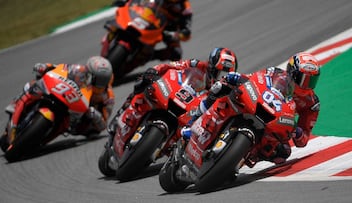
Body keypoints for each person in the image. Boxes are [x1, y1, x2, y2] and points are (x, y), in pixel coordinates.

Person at [181, 52, 321, 164]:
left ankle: (242, 159)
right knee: (220, 87)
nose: (306, 85)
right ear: (292, 72)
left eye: (311, 80)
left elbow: (303, 141)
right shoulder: (275, 73)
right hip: (255, 104)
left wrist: (297, 132)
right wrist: (238, 77)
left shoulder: (311, 103)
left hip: (276, 120)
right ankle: (191, 123)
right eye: (303, 79)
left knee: (283, 152)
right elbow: (255, 79)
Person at [107, 47, 239, 140]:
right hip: (176, 93)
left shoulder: (222, 90)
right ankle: (123, 110)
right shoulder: (196, 65)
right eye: (219, 73)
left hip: (191, 112)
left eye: (225, 75)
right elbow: (173, 65)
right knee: (142, 83)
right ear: (211, 66)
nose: (220, 77)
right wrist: (155, 70)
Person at [3, 56, 115, 139]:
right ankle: (16, 103)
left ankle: (46, 135)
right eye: (98, 79)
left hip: (78, 119)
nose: (100, 83)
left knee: (93, 133)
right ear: (89, 72)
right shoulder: (78, 70)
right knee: (35, 82)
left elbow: (103, 125)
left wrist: (95, 115)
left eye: (104, 80)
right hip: (64, 97)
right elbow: (59, 69)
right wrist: (45, 66)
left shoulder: (108, 97)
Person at [110, 0, 192, 61]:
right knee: (118, 18)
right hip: (146, 17)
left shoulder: (186, 8)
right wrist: (126, 1)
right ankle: (110, 35)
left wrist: (178, 34)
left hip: (166, 29)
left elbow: (186, 31)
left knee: (177, 52)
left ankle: (150, 56)